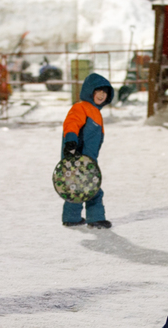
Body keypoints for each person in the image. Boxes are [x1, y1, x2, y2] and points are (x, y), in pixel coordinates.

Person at [60, 73, 114, 228]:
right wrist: (70, 143)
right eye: (98, 91)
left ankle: (71, 218)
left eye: (105, 92)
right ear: (90, 92)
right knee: (93, 189)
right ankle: (95, 218)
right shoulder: (81, 107)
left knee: (76, 187)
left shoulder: (95, 112)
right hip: (79, 155)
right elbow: (71, 124)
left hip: (86, 157)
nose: (102, 95)